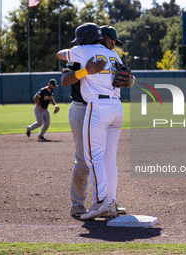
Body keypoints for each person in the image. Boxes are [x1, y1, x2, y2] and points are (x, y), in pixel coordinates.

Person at [57, 22, 125, 220]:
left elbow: (122, 79)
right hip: (82, 107)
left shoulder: (108, 54)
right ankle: (78, 204)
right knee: (84, 160)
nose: (112, 44)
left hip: (98, 107)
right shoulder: (84, 52)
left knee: (100, 158)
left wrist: (126, 80)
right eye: (110, 40)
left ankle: (106, 202)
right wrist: (85, 71)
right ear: (99, 37)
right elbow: (64, 80)